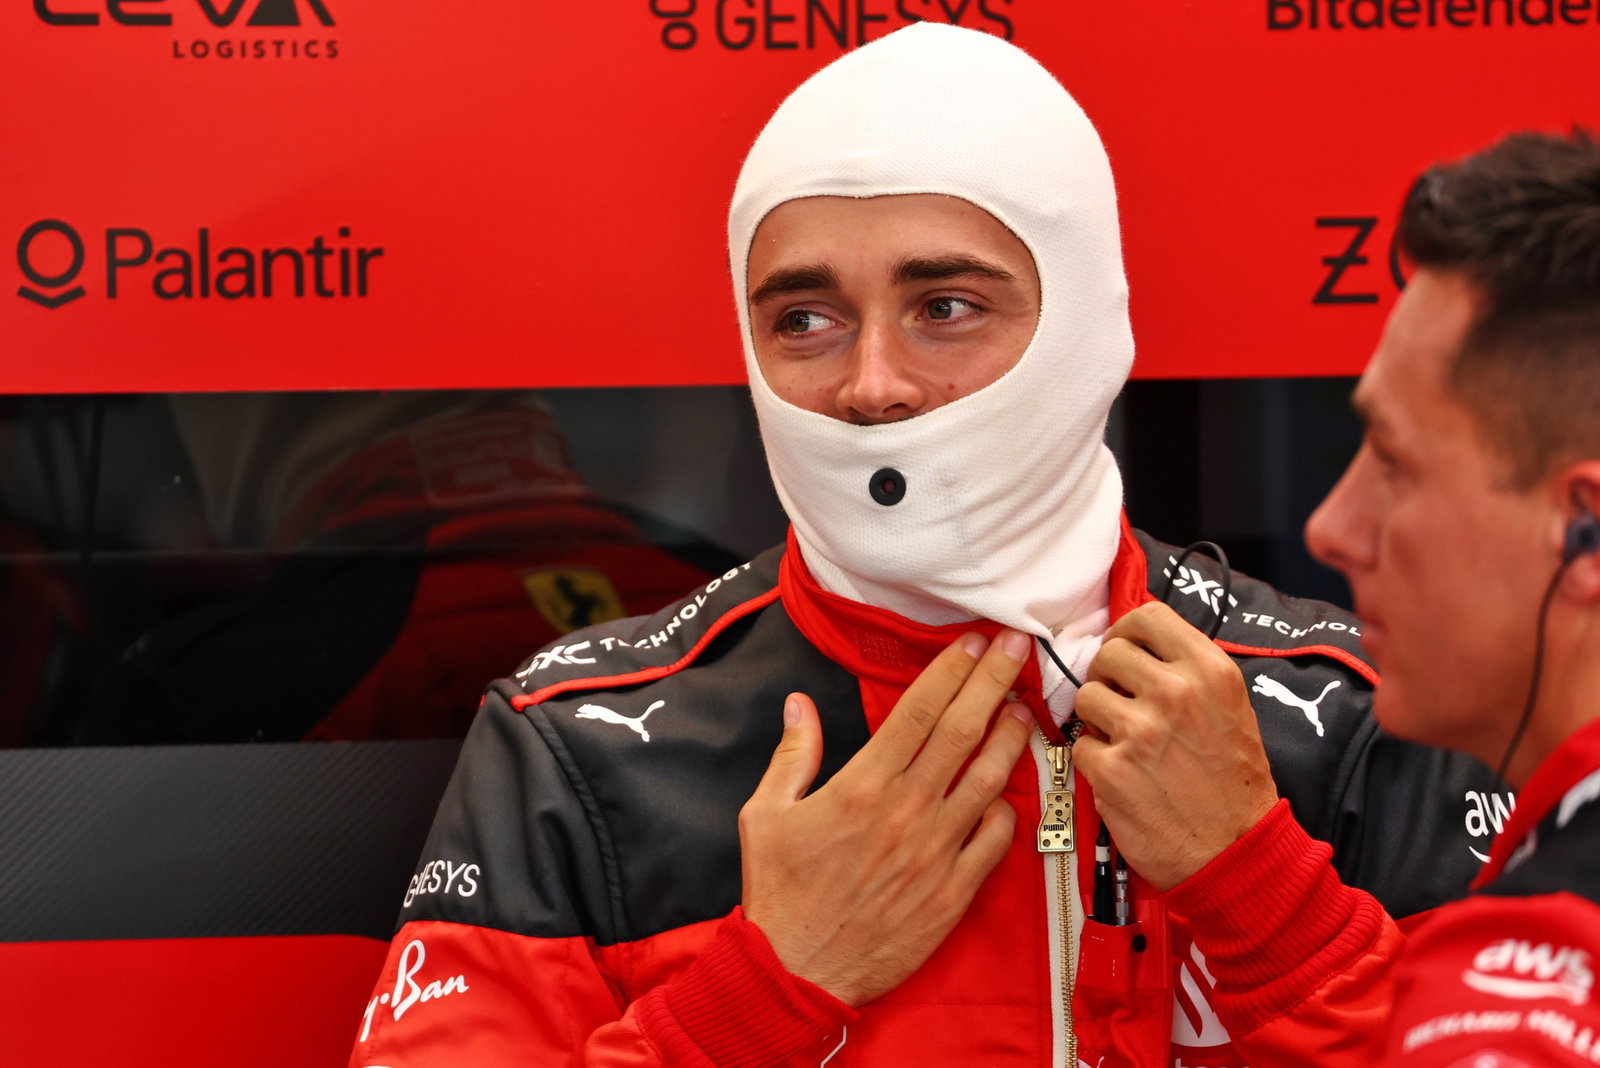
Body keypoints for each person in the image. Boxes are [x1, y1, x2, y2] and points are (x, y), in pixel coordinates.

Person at [348, 23, 1501, 1067]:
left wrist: (1264, 898)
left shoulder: (1371, 717)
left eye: (944, 306)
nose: (872, 385)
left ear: (1086, 321)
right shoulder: (579, 748)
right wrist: (762, 995)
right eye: (805, 320)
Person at [1076, 130, 1600, 1066]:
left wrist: (1257, 892)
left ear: (1584, 528)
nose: (1330, 527)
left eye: (1395, 464)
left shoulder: (1527, 987)